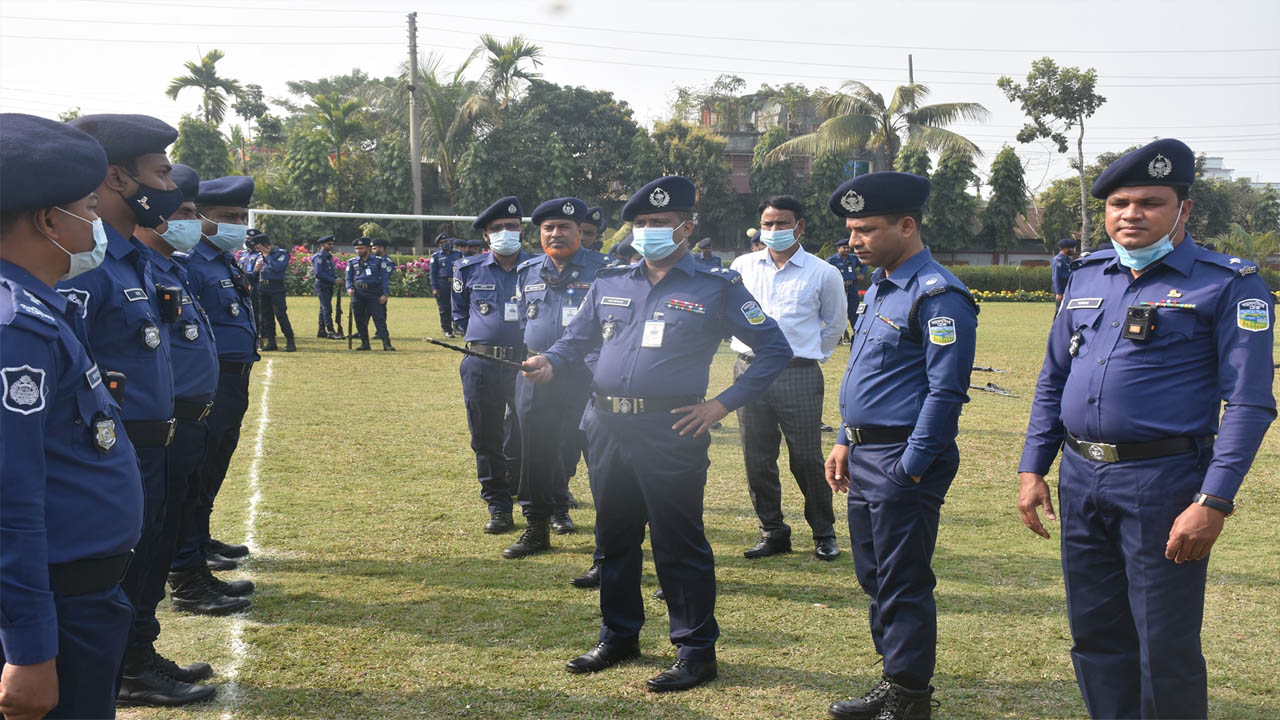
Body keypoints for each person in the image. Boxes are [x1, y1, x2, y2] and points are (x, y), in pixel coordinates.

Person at [1017, 139, 1276, 720]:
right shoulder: (1087, 277)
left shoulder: (1228, 284)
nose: (1130, 214)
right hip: (1082, 479)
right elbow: (1053, 379)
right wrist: (1034, 467)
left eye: (1149, 202)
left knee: (1165, 644)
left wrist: (1213, 500)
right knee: (1096, 634)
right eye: (1118, 203)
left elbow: (1251, 404)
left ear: (1183, 210)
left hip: (1163, 481)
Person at [522, 175, 793, 692]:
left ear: (686, 228)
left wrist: (721, 404)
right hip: (604, 424)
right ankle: (619, 635)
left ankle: (695, 650)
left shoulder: (716, 287)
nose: (647, 231)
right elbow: (573, 340)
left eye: (660, 223)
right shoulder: (610, 282)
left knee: (678, 539)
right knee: (614, 534)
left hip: (671, 428)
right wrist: (547, 363)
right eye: (642, 223)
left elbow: (774, 349)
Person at [55, 114, 215, 708]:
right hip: (117, 448)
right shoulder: (90, 265)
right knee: (121, 570)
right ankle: (124, 666)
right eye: (161, 173)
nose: (170, 188)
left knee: (147, 561)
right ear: (119, 179)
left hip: (156, 443)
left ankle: (138, 655)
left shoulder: (134, 260)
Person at [0, 112, 144, 720]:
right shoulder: (15, 330)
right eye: (88, 206)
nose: (98, 220)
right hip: (57, 607)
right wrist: (30, 650)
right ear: (47, 220)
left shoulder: (40, 308)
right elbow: (9, 498)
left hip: (82, 597)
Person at [822, 172, 979, 720]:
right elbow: (868, 375)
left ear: (907, 226)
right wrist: (845, 437)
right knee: (876, 575)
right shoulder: (882, 287)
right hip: (866, 454)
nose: (854, 241)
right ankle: (894, 678)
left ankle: (910, 697)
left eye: (866, 229)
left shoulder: (939, 295)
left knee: (903, 578)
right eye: (851, 231)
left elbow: (946, 392)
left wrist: (910, 467)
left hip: (900, 458)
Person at [136, 164, 250, 670]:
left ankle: (191, 562)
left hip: (210, 391)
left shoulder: (184, 266)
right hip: (180, 406)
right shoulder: (180, 265)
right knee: (177, 499)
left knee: (194, 489)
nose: (235, 226)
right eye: (183, 211)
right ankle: (186, 574)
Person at [730, 195, 847, 562]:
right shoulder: (743, 266)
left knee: (807, 459)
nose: (774, 230)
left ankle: (823, 533)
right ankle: (773, 531)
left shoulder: (823, 272)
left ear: (800, 226)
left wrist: (812, 354)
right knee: (757, 457)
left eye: (782, 224)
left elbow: (835, 323)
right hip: (749, 370)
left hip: (797, 373)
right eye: (768, 224)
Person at [502, 197, 609, 559]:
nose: (556, 233)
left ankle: (608, 536)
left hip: (588, 373)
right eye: (548, 228)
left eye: (564, 227)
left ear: (581, 232)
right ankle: (536, 527)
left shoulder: (606, 270)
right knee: (535, 450)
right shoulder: (528, 270)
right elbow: (523, 322)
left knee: (592, 451)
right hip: (536, 373)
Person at [174, 174, 258, 598]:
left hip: (234, 378)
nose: (238, 224)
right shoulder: (190, 261)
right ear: (200, 216)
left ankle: (199, 541)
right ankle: (187, 557)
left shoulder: (223, 260)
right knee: (197, 469)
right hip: (212, 381)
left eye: (242, 217)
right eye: (228, 216)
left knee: (214, 465)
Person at [455, 196, 533, 534]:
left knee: (528, 434)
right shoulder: (468, 269)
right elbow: (459, 315)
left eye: (512, 227)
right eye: (497, 229)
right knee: (485, 436)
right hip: (481, 362)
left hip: (526, 362)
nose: (505, 233)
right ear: (486, 236)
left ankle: (531, 498)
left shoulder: (537, 268)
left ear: (521, 231)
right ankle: (498, 505)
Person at [346, 238, 394, 351]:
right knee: (359, 319)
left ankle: (386, 343)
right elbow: (348, 278)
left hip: (374, 292)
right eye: (357, 248)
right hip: (358, 292)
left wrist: (385, 294)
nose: (358, 251)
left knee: (379, 318)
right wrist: (348, 288)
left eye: (361, 248)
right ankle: (365, 343)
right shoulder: (352, 262)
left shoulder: (378, 261)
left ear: (368, 248)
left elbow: (384, 279)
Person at [252, 230, 295, 352]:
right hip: (263, 287)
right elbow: (256, 273)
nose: (258, 250)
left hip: (276, 287)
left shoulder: (281, 253)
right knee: (266, 316)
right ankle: (271, 342)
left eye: (259, 247)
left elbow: (278, 268)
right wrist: (256, 270)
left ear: (265, 245)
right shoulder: (260, 256)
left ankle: (290, 341)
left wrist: (267, 256)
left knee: (280, 314)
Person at [828, 237, 864, 342]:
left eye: (848, 248)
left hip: (852, 287)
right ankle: (837, 337)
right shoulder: (832, 260)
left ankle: (857, 335)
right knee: (838, 312)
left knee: (854, 311)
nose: (847, 250)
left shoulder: (853, 258)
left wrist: (861, 274)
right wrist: (838, 281)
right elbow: (825, 273)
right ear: (838, 248)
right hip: (838, 289)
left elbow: (864, 265)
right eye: (844, 248)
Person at [430, 234, 461, 337]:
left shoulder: (458, 254)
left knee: (457, 306)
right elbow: (432, 274)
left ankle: (458, 328)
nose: (445, 244)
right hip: (442, 283)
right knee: (444, 308)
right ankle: (447, 329)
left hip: (456, 283)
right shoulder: (436, 256)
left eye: (446, 241)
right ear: (439, 245)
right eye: (442, 243)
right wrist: (434, 288)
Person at [312, 234, 341, 338]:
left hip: (328, 285)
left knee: (323, 307)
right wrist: (333, 280)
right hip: (322, 284)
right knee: (327, 308)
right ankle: (331, 330)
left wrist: (336, 278)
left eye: (332, 244)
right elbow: (318, 273)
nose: (331, 246)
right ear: (322, 244)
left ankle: (321, 330)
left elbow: (331, 271)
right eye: (329, 244)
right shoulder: (319, 257)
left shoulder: (328, 257)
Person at [371, 238, 395, 342]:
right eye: (372, 248)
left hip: (380, 289)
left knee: (380, 312)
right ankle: (361, 331)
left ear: (382, 248)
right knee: (364, 312)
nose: (374, 250)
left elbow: (385, 276)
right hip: (369, 290)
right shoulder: (369, 260)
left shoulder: (388, 262)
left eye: (376, 248)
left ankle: (380, 332)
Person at [1051, 237, 1075, 314]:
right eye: (1071, 248)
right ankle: (1056, 325)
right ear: (1064, 249)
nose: (1073, 250)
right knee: (1060, 309)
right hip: (1060, 287)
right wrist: (1058, 292)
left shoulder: (1068, 259)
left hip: (1067, 287)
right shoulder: (1058, 260)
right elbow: (1056, 277)